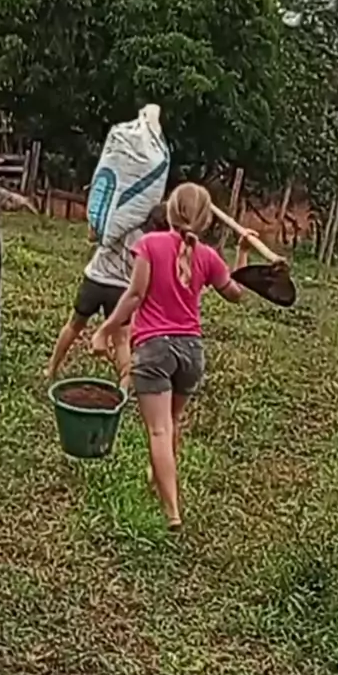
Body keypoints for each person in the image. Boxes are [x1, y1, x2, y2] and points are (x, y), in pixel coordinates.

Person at [92, 182, 254, 529]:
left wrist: (105, 329)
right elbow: (236, 293)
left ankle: (172, 512)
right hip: (191, 352)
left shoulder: (149, 245)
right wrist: (242, 254)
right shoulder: (208, 256)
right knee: (171, 423)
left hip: (154, 350)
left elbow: (134, 296)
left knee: (159, 431)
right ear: (205, 221)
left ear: (169, 211)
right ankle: (159, 476)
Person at [45, 203, 169, 386]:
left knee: (74, 325)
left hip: (94, 280)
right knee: (121, 340)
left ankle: (51, 369)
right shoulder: (152, 243)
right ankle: (124, 386)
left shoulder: (119, 223)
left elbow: (93, 234)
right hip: (120, 289)